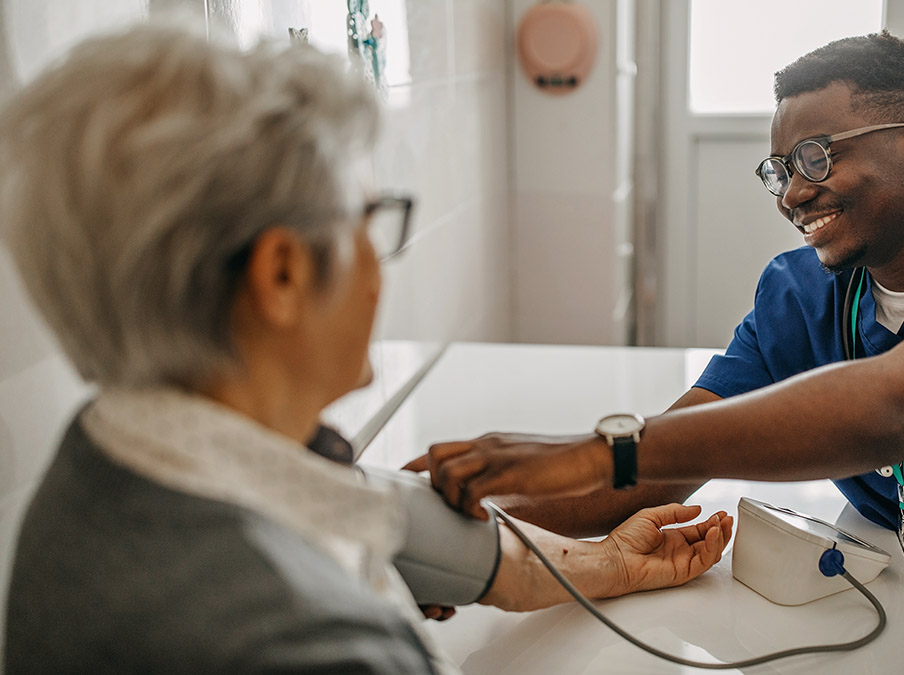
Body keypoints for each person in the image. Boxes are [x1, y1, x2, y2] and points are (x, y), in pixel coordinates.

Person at [412, 32, 904, 674]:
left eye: (818, 157)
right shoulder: (803, 294)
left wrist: (594, 450)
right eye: (780, 170)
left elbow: (898, 405)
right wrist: (460, 534)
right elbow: (657, 470)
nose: (792, 192)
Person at [0, 21, 732, 674]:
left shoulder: (112, 450)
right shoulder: (309, 639)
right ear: (282, 273)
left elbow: (385, 516)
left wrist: (606, 561)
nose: (380, 263)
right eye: (368, 217)